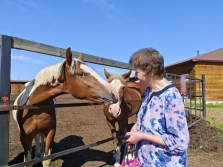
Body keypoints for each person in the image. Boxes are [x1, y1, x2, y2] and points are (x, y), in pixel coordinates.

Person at [125, 48, 190, 167]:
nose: (135, 77)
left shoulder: (171, 97)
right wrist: (133, 132)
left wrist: (142, 136)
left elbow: (181, 141)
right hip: (145, 160)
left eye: (137, 72)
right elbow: (143, 119)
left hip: (164, 162)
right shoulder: (149, 91)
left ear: (151, 71)